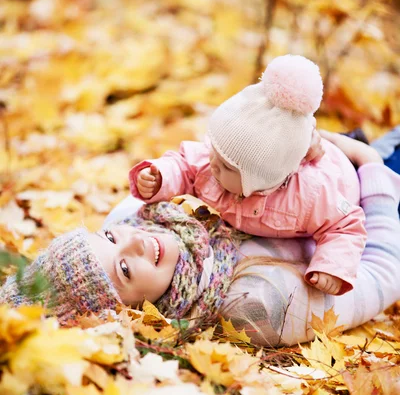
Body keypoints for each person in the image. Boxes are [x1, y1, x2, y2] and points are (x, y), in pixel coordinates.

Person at [1, 132, 399, 347]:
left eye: (108, 237)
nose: (136, 241)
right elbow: (383, 273)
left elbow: (203, 161)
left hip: (325, 161)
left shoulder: (142, 215)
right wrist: (371, 167)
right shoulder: (258, 307)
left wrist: (315, 141)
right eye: (124, 269)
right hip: (382, 200)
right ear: (131, 317)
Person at [130, 55, 367, 297]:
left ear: (262, 181)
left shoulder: (309, 197)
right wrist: (160, 177)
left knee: (370, 156)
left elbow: (345, 226)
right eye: (214, 148)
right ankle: (329, 137)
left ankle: (351, 143)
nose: (213, 163)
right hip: (283, 157)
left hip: (342, 172)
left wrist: (332, 267)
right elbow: (183, 165)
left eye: (228, 166)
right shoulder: (213, 161)